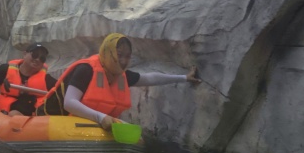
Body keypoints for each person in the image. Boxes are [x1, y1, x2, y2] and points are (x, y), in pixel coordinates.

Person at [35, 33, 201, 129]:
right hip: (49, 116)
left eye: (127, 56)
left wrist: (184, 77)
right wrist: (101, 117)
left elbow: (149, 78)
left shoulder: (120, 75)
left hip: (81, 123)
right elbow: (69, 103)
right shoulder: (86, 70)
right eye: (119, 54)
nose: (123, 61)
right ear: (108, 51)